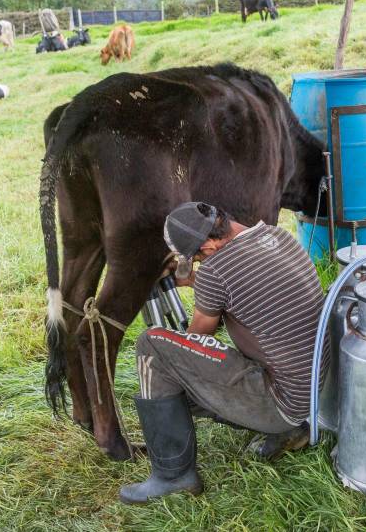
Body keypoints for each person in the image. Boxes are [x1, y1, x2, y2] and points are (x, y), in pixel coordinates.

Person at [119, 202, 329, 504]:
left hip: (281, 402)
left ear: (208, 243)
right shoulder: (276, 235)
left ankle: (173, 475)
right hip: (309, 394)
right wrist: (199, 282)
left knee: (153, 346)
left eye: (199, 257)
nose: (200, 264)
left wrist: (201, 282)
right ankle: (289, 431)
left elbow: (194, 340)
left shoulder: (216, 272)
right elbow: (245, 284)